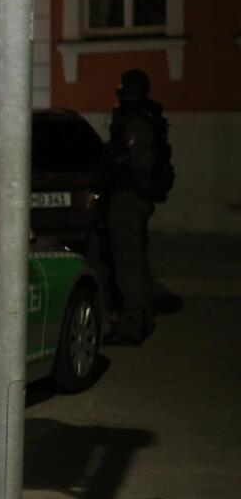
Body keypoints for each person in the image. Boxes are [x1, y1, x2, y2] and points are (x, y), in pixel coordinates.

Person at [103, 68, 174, 346]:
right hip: (132, 197)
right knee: (136, 262)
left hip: (129, 199)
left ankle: (132, 325)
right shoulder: (141, 119)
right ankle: (140, 318)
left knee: (128, 264)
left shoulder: (136, 123)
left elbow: (140, 165)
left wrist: (128, 184)